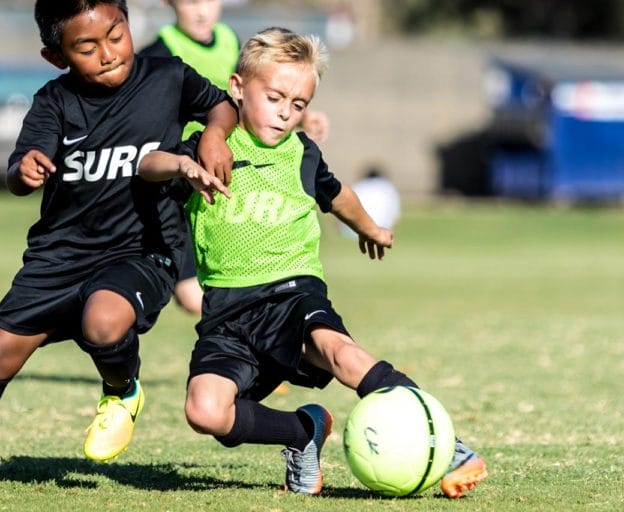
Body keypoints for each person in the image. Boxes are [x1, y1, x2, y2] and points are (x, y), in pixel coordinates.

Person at [138, 27, 488, 498]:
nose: (286, 113)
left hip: (292, 294)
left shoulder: (302, 154)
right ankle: (301, 433)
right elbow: (146, 165)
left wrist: (368, 225)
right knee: (207, 413)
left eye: (298, 104)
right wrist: (183, 165)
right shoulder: (207, 149)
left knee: (344, 354)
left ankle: (449, 446)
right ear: (238, 88)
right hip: (227, 312)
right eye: (275, 97)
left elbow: (337, 194)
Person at [0, 0, 237, 490]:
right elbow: (19, 171)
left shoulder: (166, 76)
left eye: (116, 35)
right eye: (86, 47)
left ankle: (121, 392)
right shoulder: (53, 102)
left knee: (103, 322)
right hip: (60, 255)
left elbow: (222, 104)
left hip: (141, 248)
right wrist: (25, 172)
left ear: (130, 25)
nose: (108, 53)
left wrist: (214, 133)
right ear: (56, 56)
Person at [139, 0, 330, 315]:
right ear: (169, 3)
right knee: (190, 296)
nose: (202, 11)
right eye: (190, 2)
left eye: (210, 0)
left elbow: (262, 87)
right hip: (185, 175)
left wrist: (304, 116)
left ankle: (256, 328)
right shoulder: (159, 53)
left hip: (233, 170)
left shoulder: (228, 40)